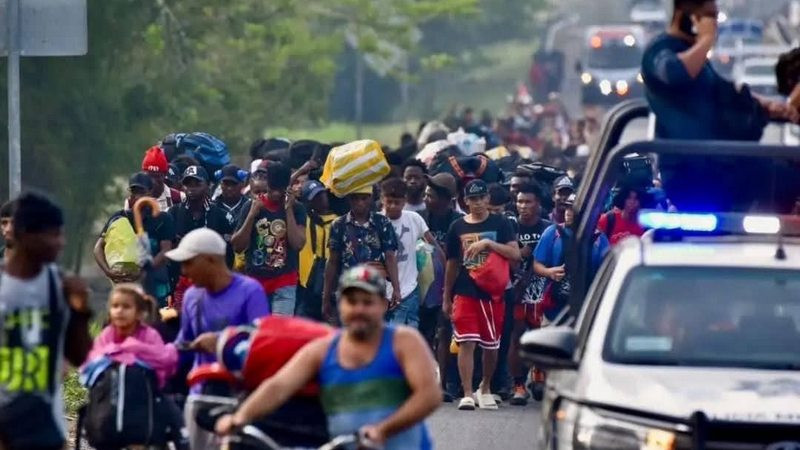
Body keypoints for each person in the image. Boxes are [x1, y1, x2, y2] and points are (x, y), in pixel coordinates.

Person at [215, 265, 440, 449]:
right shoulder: (323, 350)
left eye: (367, 302)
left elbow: (429, 396)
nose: (359, 309)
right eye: (352, 302)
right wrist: (238, 418)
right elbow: (278, 386)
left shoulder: (404, 341)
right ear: (340, 305)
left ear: (383, 305)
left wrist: (383, 430)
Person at [0, 192, 91, 450]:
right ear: (25, 235)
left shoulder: (58, 286)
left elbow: (81, 355)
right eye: (53, 235)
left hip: (47, 427)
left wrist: (80, 311)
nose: (60, 243)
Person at [168, 228, 270, 449]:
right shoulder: (191, 296)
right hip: (201, 398)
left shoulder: (250, 291)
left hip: (240, 399)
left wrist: (222, 342)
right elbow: (183, 345)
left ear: (211, 260)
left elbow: (263, 343)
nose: (184, 272)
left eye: (189, 263)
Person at [641, 0, 798, 141]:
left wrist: (768, 105)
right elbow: (674, 72)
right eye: (709, 16)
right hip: (686, 161)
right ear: (689, 17)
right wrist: (706, 39)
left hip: (719, 157)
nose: (714, 23)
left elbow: (722, 90)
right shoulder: (660, 49)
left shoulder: (695, 56)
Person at [79, 284, 187, 449]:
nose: (120, 311)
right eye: (115, 306)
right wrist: (121, 353)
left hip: (145, 398)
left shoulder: (150, 335)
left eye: (126, 307)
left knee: (174, 417)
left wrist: (135, 350)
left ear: (139, 313)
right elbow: (90, 363)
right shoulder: (107, 334)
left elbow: (164, 360)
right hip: (110, 398)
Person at [443, 180, 520, 411]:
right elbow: (452, 263)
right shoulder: (456, 227)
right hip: (465, 291)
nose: (477, 203)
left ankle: (485, 387)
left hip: (493, 293)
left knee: (490, 345)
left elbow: (515, 253)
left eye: (481, 198)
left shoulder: (501, 223)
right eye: (472, 199)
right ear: (465, 201)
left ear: (488, 199)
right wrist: (447, 296)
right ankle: (467, 393)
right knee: (466, 341)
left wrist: (488, 243)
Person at [232, 162, 307, 315]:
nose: (276, 195)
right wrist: (252, 215)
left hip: (285, 282)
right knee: (257, 330)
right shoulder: (251, 206)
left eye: (281, 190)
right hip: (256, 281)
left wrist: (289, 210)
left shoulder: (297, 208)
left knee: (281, 333)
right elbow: (237, 246)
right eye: (272, 189)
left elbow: (298, 244)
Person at [94, 172, 175, 307]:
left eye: (141, 191)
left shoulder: (162, 219)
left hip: (155, 286)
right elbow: (98, 248)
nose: (136, 196)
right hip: (125, 285)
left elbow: (165, 251)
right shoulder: (119, 218)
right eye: (133, 191)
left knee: (156, 322)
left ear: (150, 193)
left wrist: (143, 271)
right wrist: (108, 272)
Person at [322, 186, 400, 324]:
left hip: (374, 290)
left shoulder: (382, 223)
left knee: (374, 333)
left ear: (371, 198)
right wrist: (326, 297)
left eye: (364, 198)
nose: (360, 202)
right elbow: (332, 261)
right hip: (347, 289)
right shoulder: (339, 225)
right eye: (355, 198)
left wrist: (396, 288)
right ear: (349, 199)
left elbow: (390, 257)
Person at [534, 194, 609, 324]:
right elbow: (536, 264)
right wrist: (549, 272)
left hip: (586, 312)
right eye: (567, 209)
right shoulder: (552, 232)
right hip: (554, 311)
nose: (568, 213)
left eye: (573, 210)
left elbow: (606, 273)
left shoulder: (600, 239)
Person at [420, 174, 462, 402]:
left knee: (445, 334)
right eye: (426, 195)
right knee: (424, 334)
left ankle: (445, 383)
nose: (427, 199)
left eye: (432, 196)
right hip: (422, 288)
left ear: (447, 200)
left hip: (449, 287)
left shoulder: (458, 223)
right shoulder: (419, 219)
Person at [169, 165, 235, 310]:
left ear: (208, 185)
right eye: (187, 184)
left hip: (212, 281)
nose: (192, 188)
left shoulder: (221, 215)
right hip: (181, 282)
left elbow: (229, 252)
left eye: (197, 183)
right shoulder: (173, 213)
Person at [509, 183, 551, 406]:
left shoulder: (548, 228)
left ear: (539, 205)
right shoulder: (510, 227)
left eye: (528, 202)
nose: (522, 206)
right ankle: (518, 385)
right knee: (516, 337)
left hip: (542, 291)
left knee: (541, 336)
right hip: (515, 292)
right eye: (519, 201)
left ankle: (539, 372)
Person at [380, 178, 441, 328]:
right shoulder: (375, 222)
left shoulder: (414, 219)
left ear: (405, 200)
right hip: (381, 292)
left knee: (408, 335)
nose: (393, 206)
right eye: (389, 201)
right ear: (382, 199)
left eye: (397, 202)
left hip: (409, 289)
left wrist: (442, 276)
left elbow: (434, 246)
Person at [297, 179, 338, 320]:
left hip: (332, 277)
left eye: (322, 195)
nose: (321, 199)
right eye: (315, 198)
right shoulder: (304, 219)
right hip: (307, 279)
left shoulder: (337, 220)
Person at [134, 146, 185, 211]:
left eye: (157, 176)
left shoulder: (179, 198)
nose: (153, 181)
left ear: (164, 175)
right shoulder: (133, 200)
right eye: (149, 176)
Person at [214, 164, 249, 228]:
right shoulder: (212, 206)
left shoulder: (249, 205)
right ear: (220, 184)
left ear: (242, 184)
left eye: (234, 184)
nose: (229, 188)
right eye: (226, 184)